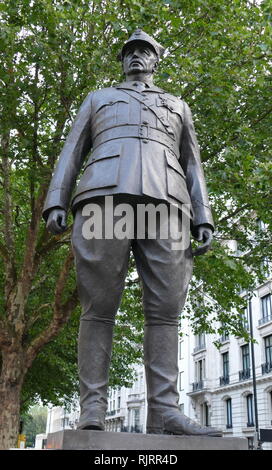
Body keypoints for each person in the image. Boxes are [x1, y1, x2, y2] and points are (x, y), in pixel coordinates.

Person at [43, 29, 222, 436]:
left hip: (168, 204)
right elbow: (72, 149)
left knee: (166, 310)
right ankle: (92, 408)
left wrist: (203, 216)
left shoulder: (178, 106)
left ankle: (166, 413)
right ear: (122, 61)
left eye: (144, 51)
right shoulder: (98, 98)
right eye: (129, 52)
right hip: (107, 199)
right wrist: (55, 198)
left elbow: (193, 163)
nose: (136, 57)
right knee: (99, 305)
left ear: (156, 60)